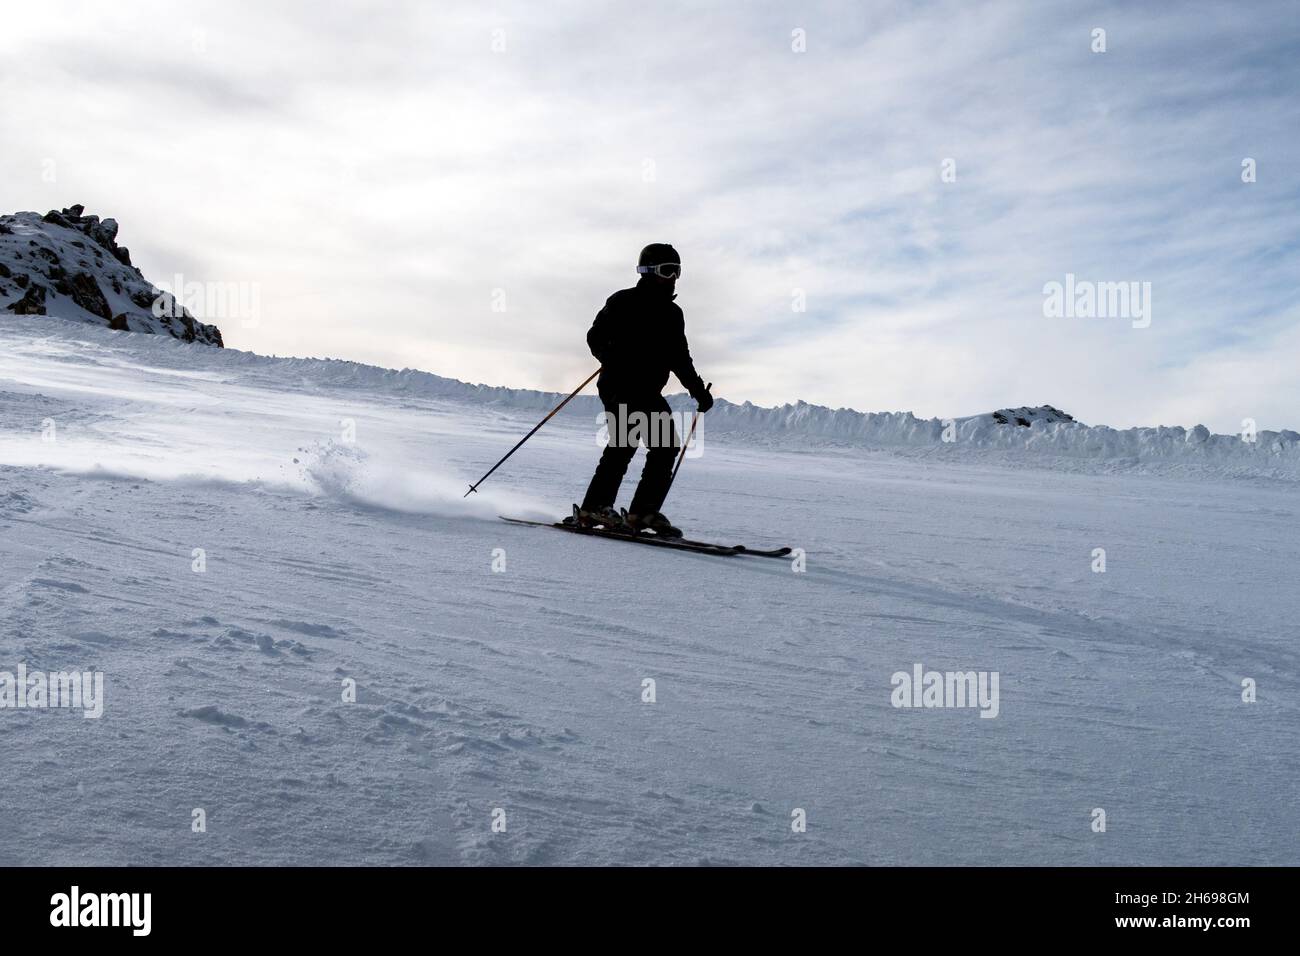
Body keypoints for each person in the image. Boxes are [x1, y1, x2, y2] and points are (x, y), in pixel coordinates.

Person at [576, 243, 713, 538]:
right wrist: (612, 354)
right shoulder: (623, 301)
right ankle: (594, 508)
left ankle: (642, 512)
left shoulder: (673, 314)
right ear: (648, 272)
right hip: (619, 384)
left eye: (677, 271)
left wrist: (698, 390)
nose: (674, 277)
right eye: (667, 270)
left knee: (665, 448)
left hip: (649, 390)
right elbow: (595, 337)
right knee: (624, 444)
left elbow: (680, 357)